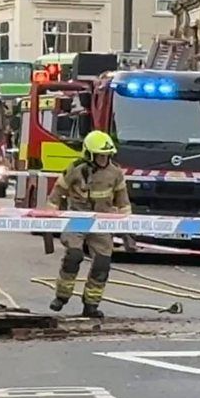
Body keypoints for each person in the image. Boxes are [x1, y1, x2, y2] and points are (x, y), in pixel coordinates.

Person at [46, 130, 131, 319]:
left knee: (102, 263)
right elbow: (57, 192)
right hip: (76, 218)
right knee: (74, 256)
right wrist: (50, 216)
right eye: (100, 156)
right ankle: (62, 296)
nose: (104, 159)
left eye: (107, 156)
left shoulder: (115, 173)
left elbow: (123, 202)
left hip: (102, 223)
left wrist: (128, 228)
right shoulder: (75, 169)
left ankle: (91, 305)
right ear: (89, 154)